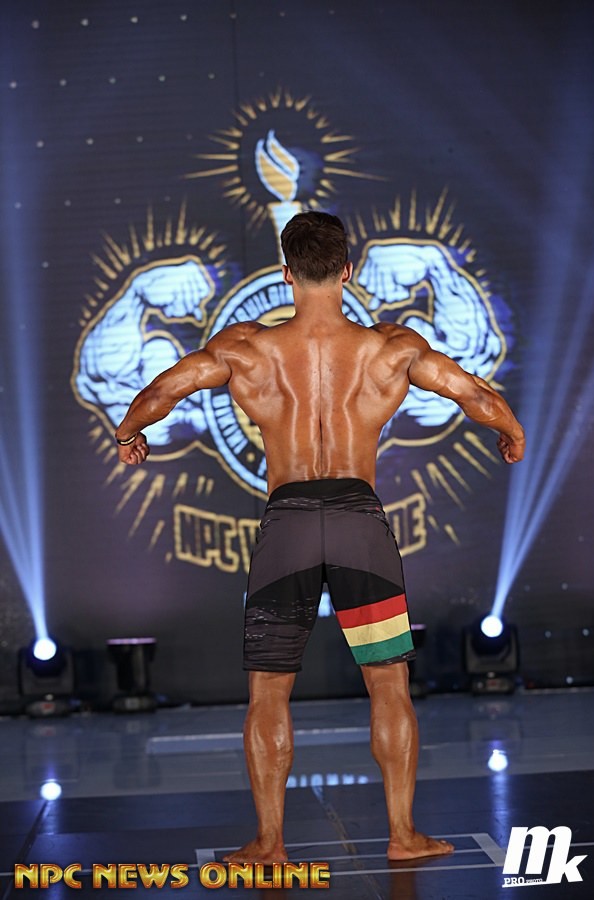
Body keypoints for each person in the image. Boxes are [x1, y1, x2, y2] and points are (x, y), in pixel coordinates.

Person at [115, 211, 525, 864]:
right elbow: (471, 392)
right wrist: (510, 432)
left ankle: (270, 842)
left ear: (285, 274)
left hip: (289, 524)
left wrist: (128, 433)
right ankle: (402, 835)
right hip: (360, 521)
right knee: (388, 684)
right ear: (347, 271)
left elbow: (167, 388)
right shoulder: (390, 348)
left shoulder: (246, 349)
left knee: (268, 691)